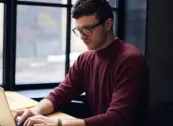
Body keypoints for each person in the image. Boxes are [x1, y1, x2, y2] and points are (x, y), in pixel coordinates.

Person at [12, 0, 149, 126]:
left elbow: (117, 118)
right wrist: (36, 110)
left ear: (108, 24)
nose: (83, 36)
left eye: (88, 29)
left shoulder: (131, 60)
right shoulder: (85, 59)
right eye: (79, 30)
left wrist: (60, 124)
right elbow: (61, 93)